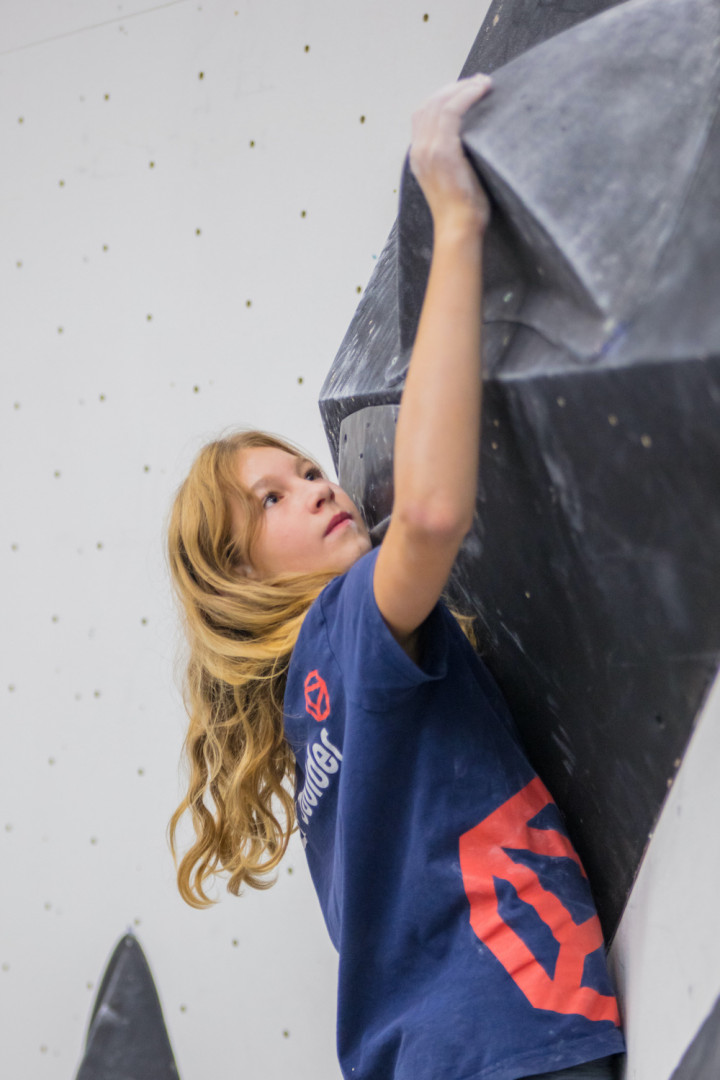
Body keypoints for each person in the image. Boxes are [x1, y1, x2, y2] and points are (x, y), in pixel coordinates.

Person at [167, 76, 626, 1080]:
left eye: (303, 470)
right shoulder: (343, 629)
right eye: (270, 501)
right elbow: (427, 513)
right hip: (501, 1049)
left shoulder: (316, 714)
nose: (313, 488)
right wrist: (455, 220)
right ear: (239, 578)